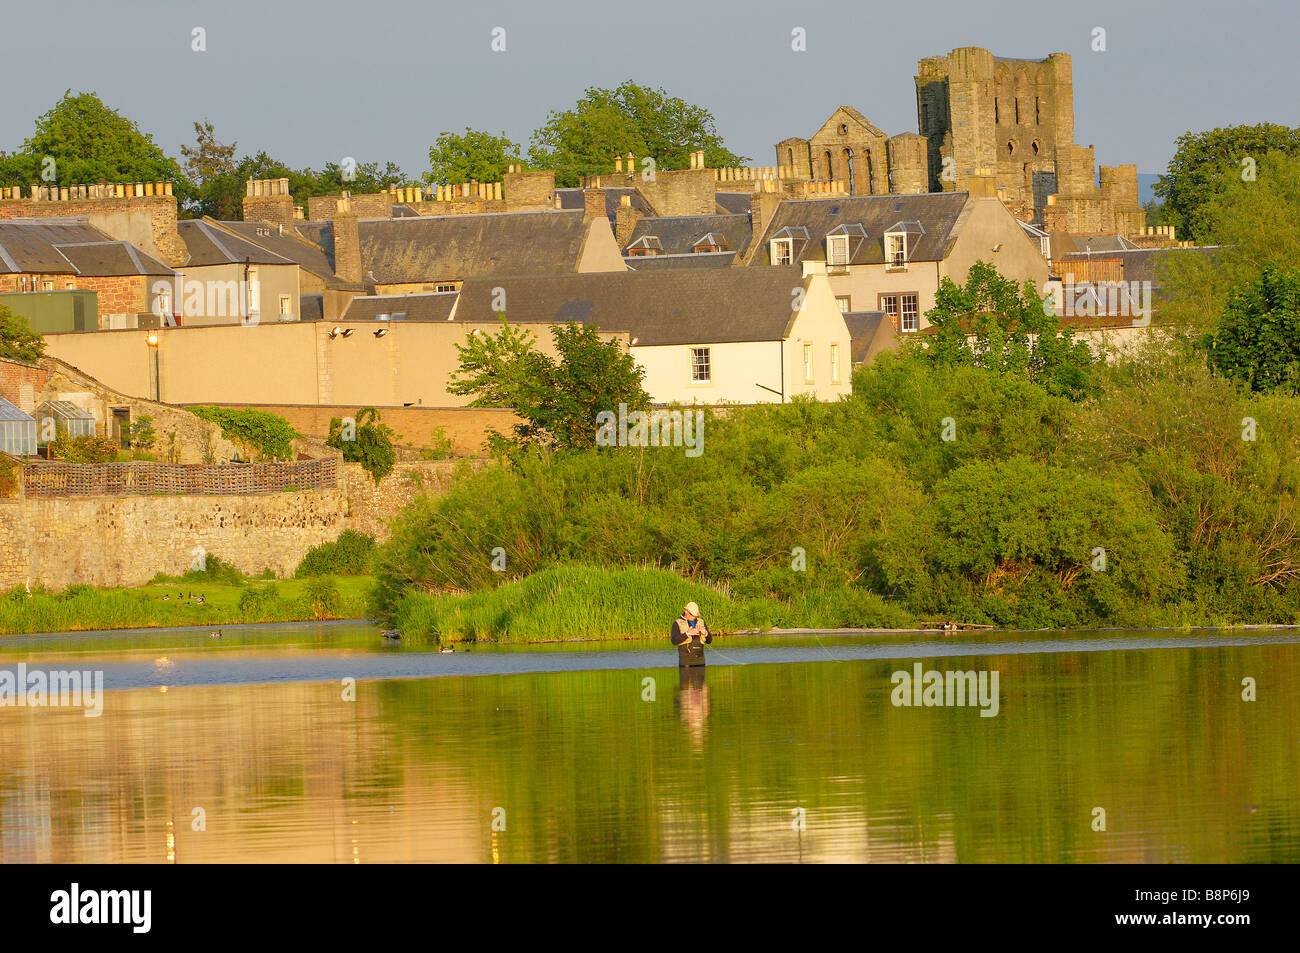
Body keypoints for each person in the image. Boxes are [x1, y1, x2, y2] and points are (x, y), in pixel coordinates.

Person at [670, 601, 711, 667]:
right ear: (686, 611)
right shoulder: (677, 623)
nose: (694, 617)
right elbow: (674, 641)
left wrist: (705, 633)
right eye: (692, 615)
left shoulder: (701, 622)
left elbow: (709, 640)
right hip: (685, 664)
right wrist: (688, 633)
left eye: (695, 615)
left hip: (701, 663)